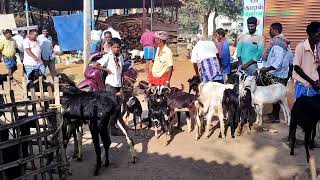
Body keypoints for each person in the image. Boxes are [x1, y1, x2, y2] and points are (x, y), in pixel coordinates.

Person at [255, 23, 292, 122]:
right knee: (277, 96)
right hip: (282, 73)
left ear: (275, 31)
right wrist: (289, 72)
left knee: (275, 95)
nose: (269, 32)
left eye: (270, 30)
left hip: (277, 74)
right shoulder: (285, 43)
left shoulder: (278, 44)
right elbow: (290, 59)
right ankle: (273, 115)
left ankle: (274, 117)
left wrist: (266, 69)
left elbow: (278, 62)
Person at [293, 21, 320, 99]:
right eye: (318, 34)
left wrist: (318, 82)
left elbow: (318, 67)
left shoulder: (318, 48)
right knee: (301, 109)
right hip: (302, 85)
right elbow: (297, 68)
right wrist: (312, 82)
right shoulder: (301, 47)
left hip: (315, 86)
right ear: (311, 33)